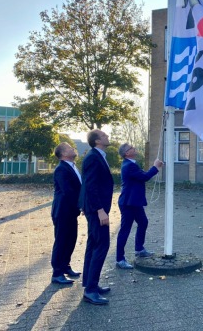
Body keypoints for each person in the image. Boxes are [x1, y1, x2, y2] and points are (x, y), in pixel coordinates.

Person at [78, 129, 114, 305]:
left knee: (93, 245)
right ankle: (91, 290)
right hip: (97, 209)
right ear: (97, 141)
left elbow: (88, 184)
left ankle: (90, 284)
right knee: (101, 245)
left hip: (93, 208)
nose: (107, 136)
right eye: (104, 135)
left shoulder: (97, 155)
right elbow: (90, 185)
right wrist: (99, 209)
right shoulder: (93, 157)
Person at [115, 143, 163, 269]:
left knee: (143, 222)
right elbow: (144, 177)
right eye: (131, 148)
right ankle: (120, 259)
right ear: (126, 153)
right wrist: (155, 167)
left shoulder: (132, 164)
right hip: (128, 203)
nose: (134, 148)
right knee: (125, 229)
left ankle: (139, 249)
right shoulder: (129, 165)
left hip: (134, 202)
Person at [51, 142, 82, 285]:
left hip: (71, 211)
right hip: (63, 210)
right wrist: (81, 205)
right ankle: (57, 273)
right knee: (62, 240)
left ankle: (65, 266)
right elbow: (67, 191)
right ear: (63, 154)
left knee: (71, 239)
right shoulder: (61, 169)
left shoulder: (72, 166)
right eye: (70, 148)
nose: (73, 149)